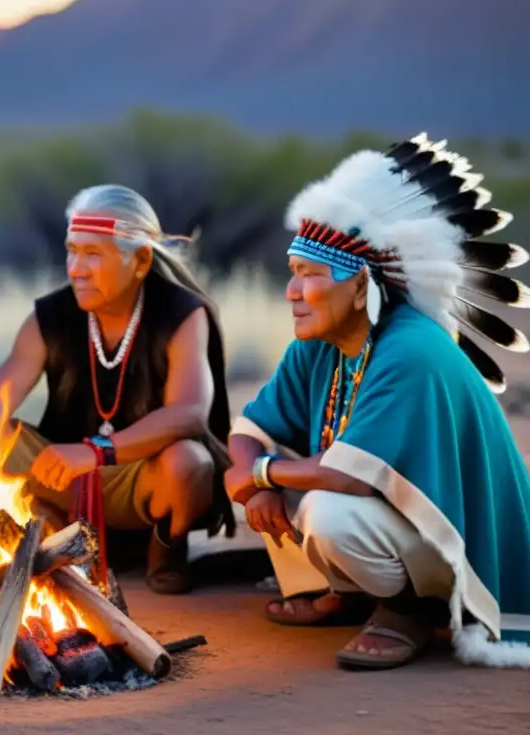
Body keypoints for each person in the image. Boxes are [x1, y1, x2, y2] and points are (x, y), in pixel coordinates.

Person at [226, 133, 530, 670]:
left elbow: (353, 478)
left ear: (361, 284)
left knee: (327, 508)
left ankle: (408, 609)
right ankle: (351, 592)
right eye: (293, 274)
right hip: (388, 518)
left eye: (312, 276)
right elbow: (250, 428)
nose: (292, 293)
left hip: (461, 543)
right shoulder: (325, 344)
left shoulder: (411, 350)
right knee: (280, 482)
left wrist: (265, 475)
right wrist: (255, 476)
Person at [0, 184, 234, 595]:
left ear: (140, 260)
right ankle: (56, 542)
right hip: (61, 477)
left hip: (141, 474)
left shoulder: (181, 314)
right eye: (71, 250)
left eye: (93, 254)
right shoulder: (50, 314)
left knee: (188, 461)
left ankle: (166, 547)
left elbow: (189, 414)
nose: (76, 268)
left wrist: (94, 452)